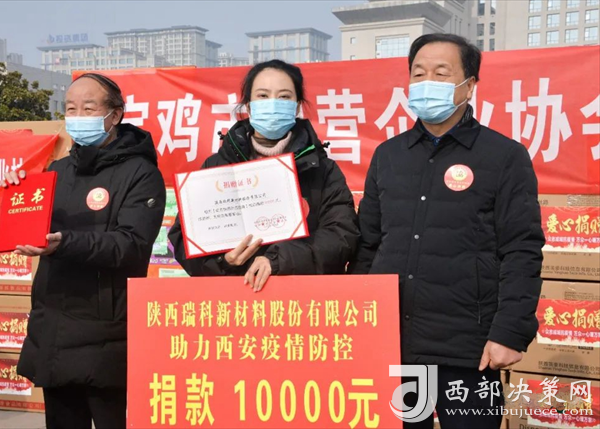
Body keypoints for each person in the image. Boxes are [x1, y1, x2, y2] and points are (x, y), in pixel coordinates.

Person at [349, 34, 544, 428]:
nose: (427, 82)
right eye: (418, 73)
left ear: (469, 86)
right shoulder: (388, 155)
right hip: (396, 346)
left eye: (441, 73)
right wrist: (359, 321)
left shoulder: (503, 156)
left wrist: (510, 331)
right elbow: (368, 245)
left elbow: (522, 249)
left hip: (470, 351)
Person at [3, 73, 166, 429]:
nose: (78, 116)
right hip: (54, 328)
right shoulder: (57, 171)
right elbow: (34, 230)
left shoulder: (141, 174)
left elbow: (131, 245)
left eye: (88, 108)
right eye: (71, 108)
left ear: (115, 115)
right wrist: (19, 195)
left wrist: (65, 243)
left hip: (106, 333)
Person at [169, 60, 359, 289]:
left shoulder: (322, 169)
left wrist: (279, 260)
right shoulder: (216, 166)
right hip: (233, 300)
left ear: (297, 106)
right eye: (263, 95)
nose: (273, 104)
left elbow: (341, 235)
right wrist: (222, 261)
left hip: (303, 299)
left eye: (284, 96)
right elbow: (183, 238)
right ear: (249, 107)